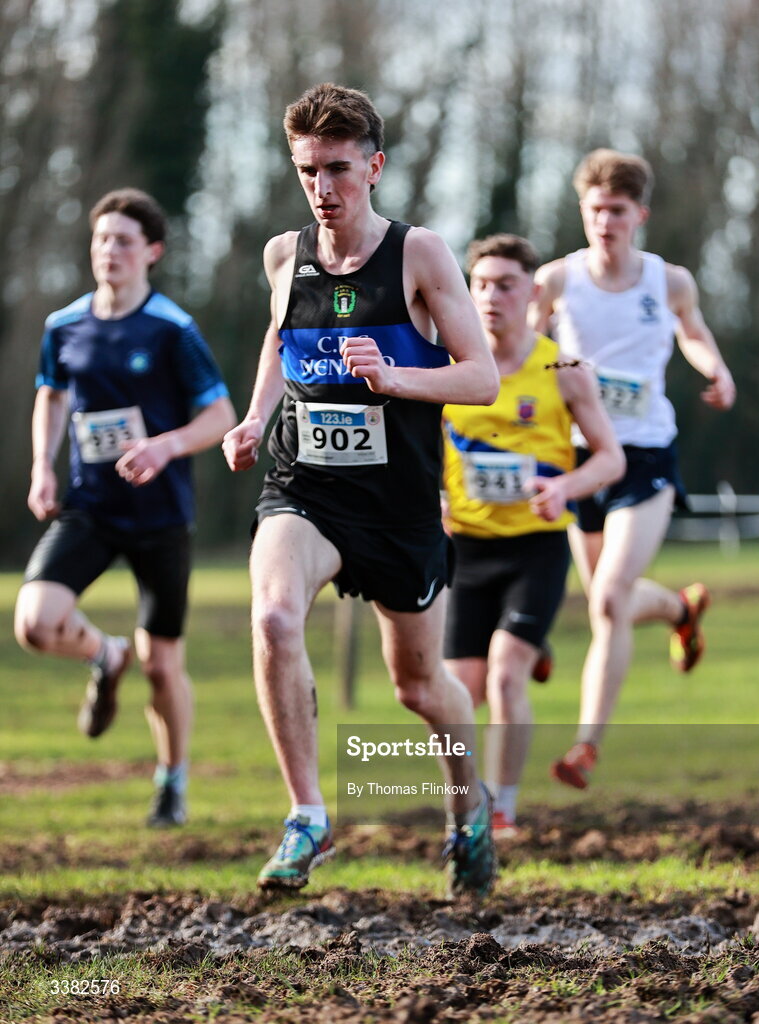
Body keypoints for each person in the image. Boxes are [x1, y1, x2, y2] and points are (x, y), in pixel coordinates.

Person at [222, 82, 500, 897]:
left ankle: (468, 808)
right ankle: (307, 815)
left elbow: (480, 377)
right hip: (304, 486)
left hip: (400, 507)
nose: (323, 188)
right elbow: (281, 342)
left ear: (374, 166)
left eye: (338, 169)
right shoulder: (285, 254)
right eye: (308, 171)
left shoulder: (419, 254)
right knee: (273, 616)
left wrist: (397, 377)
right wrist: (252, 418)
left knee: (418, 686)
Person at [14, 188, 236, 826]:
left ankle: (172, 781)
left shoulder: (173, 329)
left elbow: (219, 415)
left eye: (123, 241)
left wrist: (166, 447)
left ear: (152, 252)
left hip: (161, 514)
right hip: (90, 505)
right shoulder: (64, 326)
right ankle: (103, 655)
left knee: (164, 667)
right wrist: (40, 467)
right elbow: (51, 396)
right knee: (34, 621)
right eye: (101, 240)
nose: (109, 251)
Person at [532, 149, 736, 789]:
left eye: (616, 211)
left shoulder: (668, 281)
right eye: (594, 210)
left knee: (612, 598)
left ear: (638, 214)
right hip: (580, 456)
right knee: (603, 603)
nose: (604, 222)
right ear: (583, 211)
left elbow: (692, 331)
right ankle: (679, 609)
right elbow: (523, 347)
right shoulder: (556, 281)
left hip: (645, 452)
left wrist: (716, 369)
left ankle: (586, 747)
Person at [442, 234, 623, 833]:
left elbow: (610, 458)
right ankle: (465, 804)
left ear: (532, 292)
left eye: (506, 284)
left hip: (536, 547)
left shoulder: (565, 368)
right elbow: (415, 452)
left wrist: (564, 490)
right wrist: (432, 498)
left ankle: (502, 809)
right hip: (464, 548)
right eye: (482, 284)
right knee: (458, 695)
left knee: (505, 672)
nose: (492, 297)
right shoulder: (446, 367)